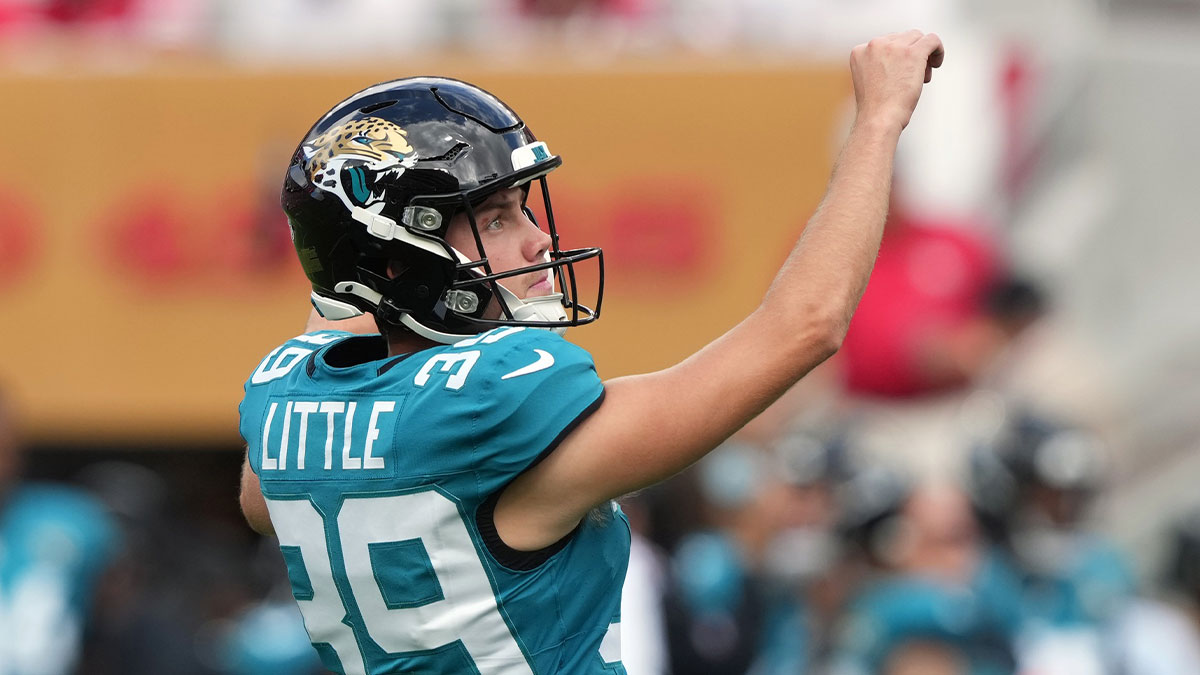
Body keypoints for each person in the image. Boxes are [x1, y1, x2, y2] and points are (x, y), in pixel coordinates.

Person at [238, 31, 944, 674]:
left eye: (522, 206)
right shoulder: (491, 407)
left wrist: (345, 222)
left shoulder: (284, 430)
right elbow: (806, 326)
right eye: (494, 218)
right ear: (398, 259)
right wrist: (878, 122)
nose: (537, 239)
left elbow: (344, 317)